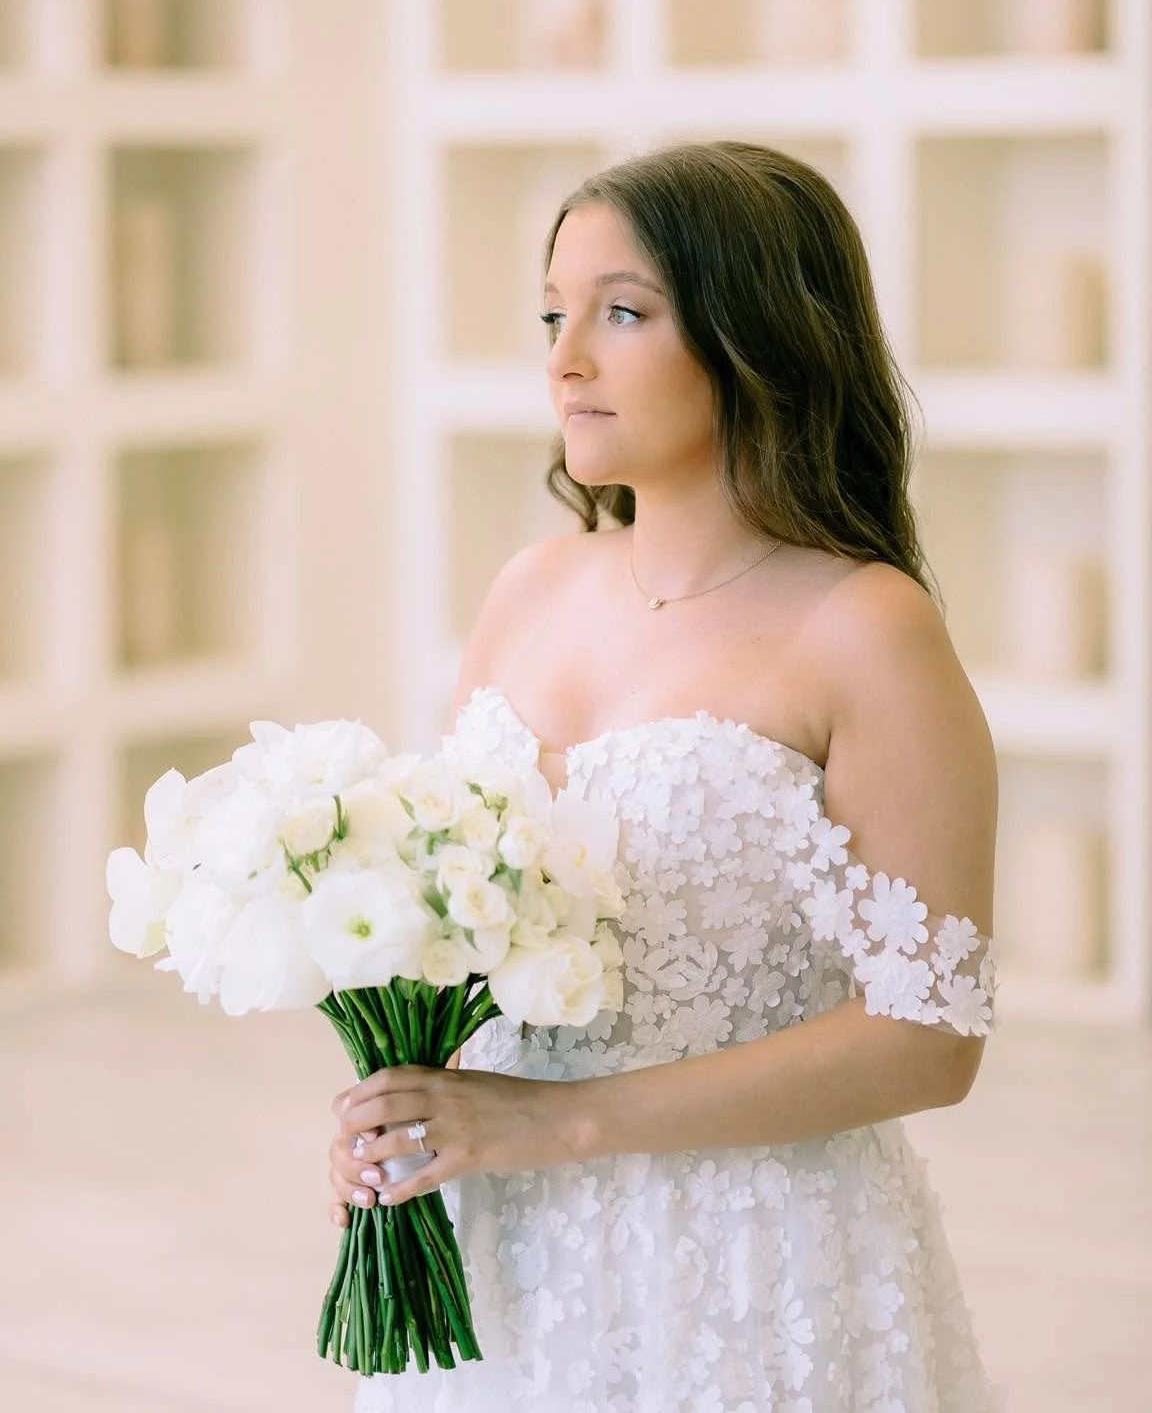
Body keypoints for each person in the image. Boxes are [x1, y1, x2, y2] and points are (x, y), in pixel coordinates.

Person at [329, 141, 1004, 1412]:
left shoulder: (868, 630)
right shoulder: (528, 587)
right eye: (553, 314)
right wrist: (395, 1091)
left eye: (622, 312)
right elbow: (440, 900)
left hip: (745, 1263)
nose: (564, 356)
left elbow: (929, 1040)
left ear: (757, 340)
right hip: (501, 1248)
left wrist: (558, 1124)